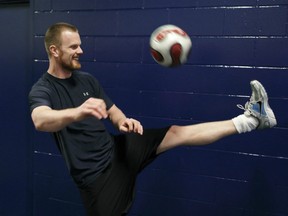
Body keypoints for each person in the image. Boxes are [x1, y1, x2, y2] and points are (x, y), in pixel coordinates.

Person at [28, 22, 277, 216]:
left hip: (117, 149)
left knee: (176, 133)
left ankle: (253, 119)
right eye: (73, 47)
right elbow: (41, 120)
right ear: (54, 50)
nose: (81, 51)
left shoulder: (87, 80)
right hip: (97, 178)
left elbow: (113, 112)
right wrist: (78, 111)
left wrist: (124, 121)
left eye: (80, 45)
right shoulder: (43, 89)